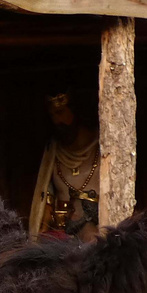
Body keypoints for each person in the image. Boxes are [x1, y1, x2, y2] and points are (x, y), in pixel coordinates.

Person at [29, 90, 101, 243]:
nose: (57, 121)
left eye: (60, 112)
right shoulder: (53, 151)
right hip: (61, 234)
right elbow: (46, 197)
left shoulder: (102, 148)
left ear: (75, 111)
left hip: (98, 229)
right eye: (52, 116)